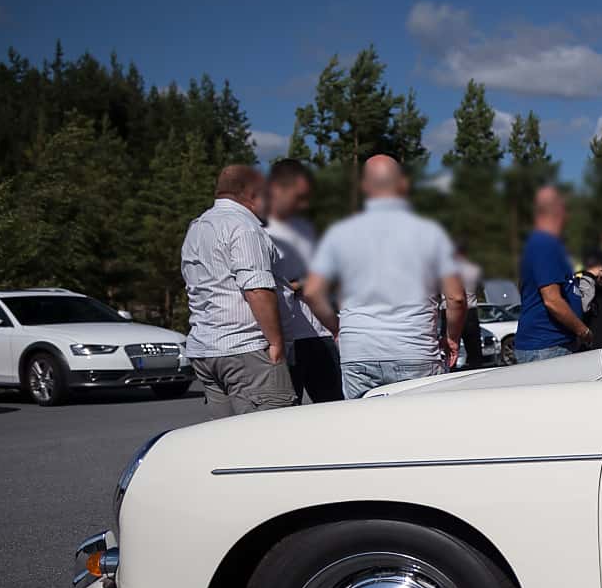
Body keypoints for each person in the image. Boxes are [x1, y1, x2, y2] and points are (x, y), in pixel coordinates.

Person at [303, 155, 467, 400]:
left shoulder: (340, 234)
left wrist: (338, 329)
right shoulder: (430, 233)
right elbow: (455, 298)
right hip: (414, 350)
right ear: (402, 184)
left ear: (365, 187)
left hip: (358, 353)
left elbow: (312, 292)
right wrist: (452, 339)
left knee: (366, 434)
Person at [180, 165, 291, 418]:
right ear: (252, 194)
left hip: (206, 349)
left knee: (228, 440)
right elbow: (256, 289)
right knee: (270, 438)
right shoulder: (244, 227)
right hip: (246, 349)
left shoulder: (196, 228)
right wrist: (276, 343)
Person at [263, 158, 340, 403]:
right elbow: (261, 287)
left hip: (320, 335)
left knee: (333, 409)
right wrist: (299, 285)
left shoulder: (308, 230)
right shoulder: (260, 232)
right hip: (289, 338)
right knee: (289, 411)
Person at [514, 185, 592, 363]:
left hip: (552, 345)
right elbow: (552, 301)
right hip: (547, 347)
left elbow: (524, 287)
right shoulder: (544, 244)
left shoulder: (544, 244)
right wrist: (583, 331)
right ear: (558, 211)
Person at [453, 240, 485, 368]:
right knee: (475, 353)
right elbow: (479, 288)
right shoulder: (474, 269)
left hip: (449, 311)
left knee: (450, 351)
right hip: (470, 311)